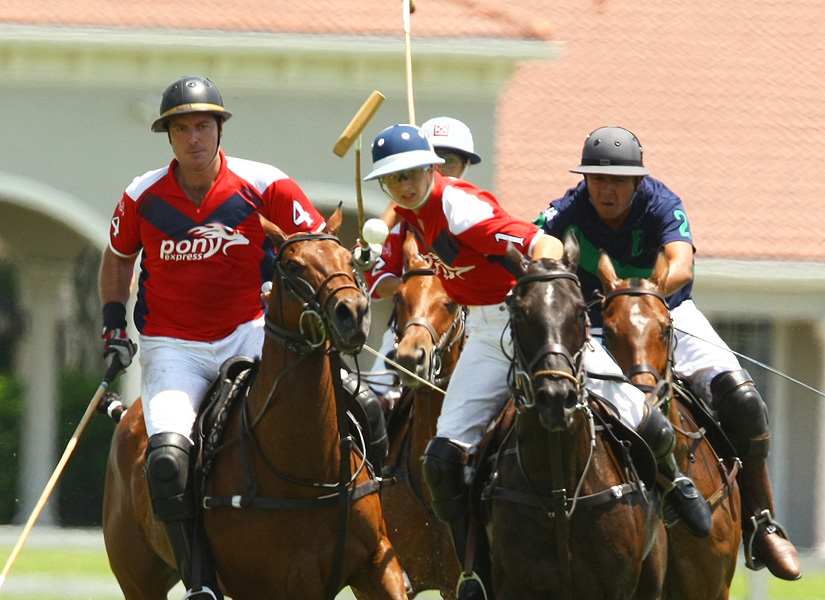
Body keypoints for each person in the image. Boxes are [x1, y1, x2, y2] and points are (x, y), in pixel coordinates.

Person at [363, 123, 709, 600]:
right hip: (483, 336)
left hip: (526, 320)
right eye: (394, 179)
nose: (405, 185)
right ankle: (476, 572)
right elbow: (387, 276)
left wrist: (543, 291)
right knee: (441, 460)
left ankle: (673, 486)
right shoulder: (408, 214)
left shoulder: (459, 208)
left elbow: (538, 241)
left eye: (414, 173)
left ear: (431, 169)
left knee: (640, 415)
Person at [535, 125, 801, 581]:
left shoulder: (661, 202)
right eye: (596, 179)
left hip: (667, 313)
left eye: (617, 181)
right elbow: (541, 243)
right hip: (595, 326)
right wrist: (550, 256)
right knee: (539, 394)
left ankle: (760, 522)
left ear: (638, 181)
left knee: (743, 399)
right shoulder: (570, 206)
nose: (605, 189)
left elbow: (681, 261)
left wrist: (652, 292)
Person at [99, 75, 326, 600]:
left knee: (333, 413)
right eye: (182, 128)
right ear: (169, 135)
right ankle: (201, 582)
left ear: (220, 129)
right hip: (173, 347)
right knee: (167, 460)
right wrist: (114, 324)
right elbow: (117, 256)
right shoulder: (142, 195)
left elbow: (314, 244)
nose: (194, 138)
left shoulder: (267, 185)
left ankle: (361, 535)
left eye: (203, 125)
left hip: (251, 333)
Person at [358, 117, 483, 396]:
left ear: (465, 166)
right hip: (409, 329)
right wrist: (414, 287)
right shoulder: (404, 219)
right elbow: (378, 280)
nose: (440, 168)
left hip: (473, 330)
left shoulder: (474, 213)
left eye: (448, 159)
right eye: (433, 160)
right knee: (374, 399)